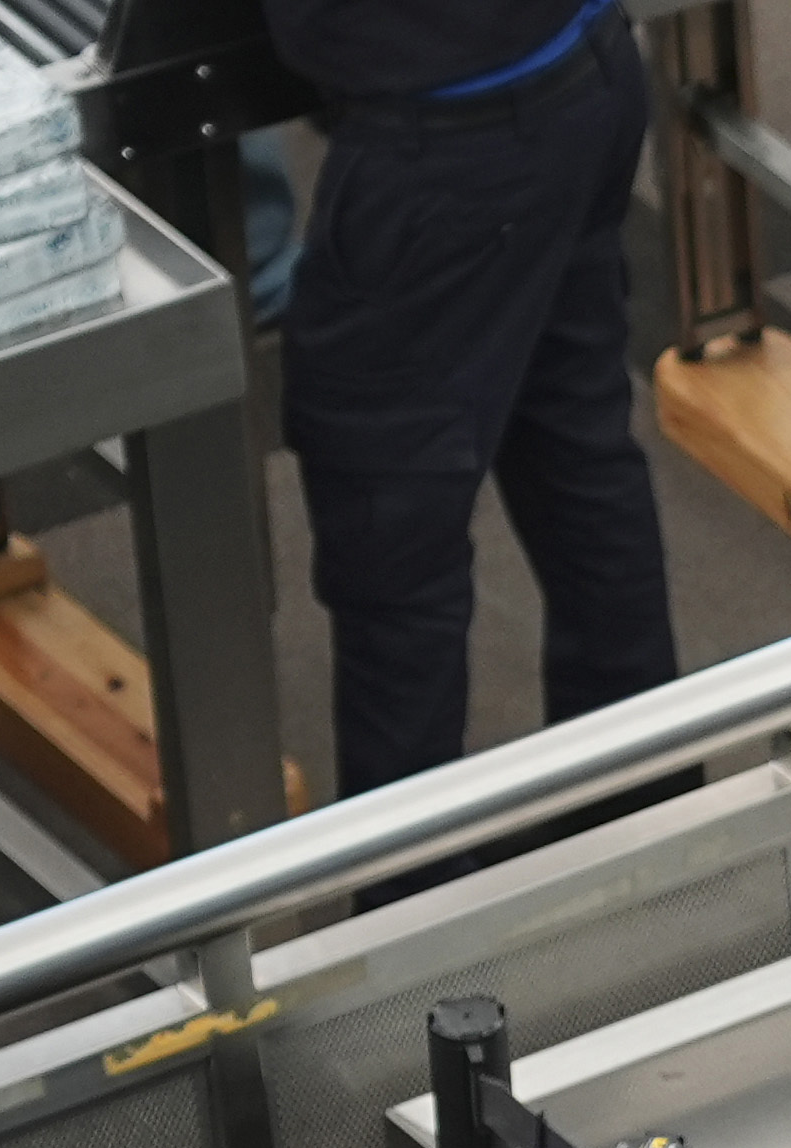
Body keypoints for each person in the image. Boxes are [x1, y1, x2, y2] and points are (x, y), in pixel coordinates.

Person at [266, 0, 678, 791]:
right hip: (578, 62)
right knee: (577, 449)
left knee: (392, 537)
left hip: (449, 147)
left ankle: (412, 889)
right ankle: (641, 810)